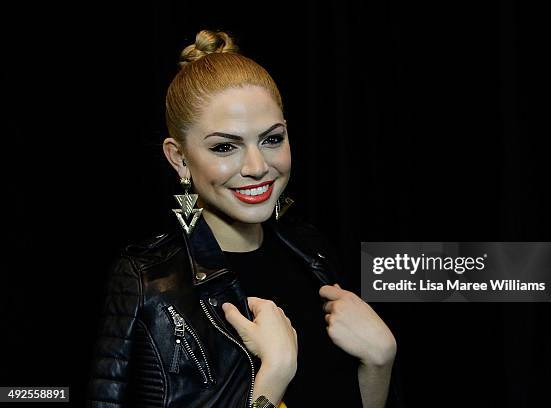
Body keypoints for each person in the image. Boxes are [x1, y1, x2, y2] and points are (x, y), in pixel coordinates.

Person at [87, 29, 401, 408]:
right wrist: (273, 375)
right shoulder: (147, 282)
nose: (257, 167)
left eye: (272, 139)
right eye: (225, 146)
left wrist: (378, 364)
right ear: (179, 158)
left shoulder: (312, 254)